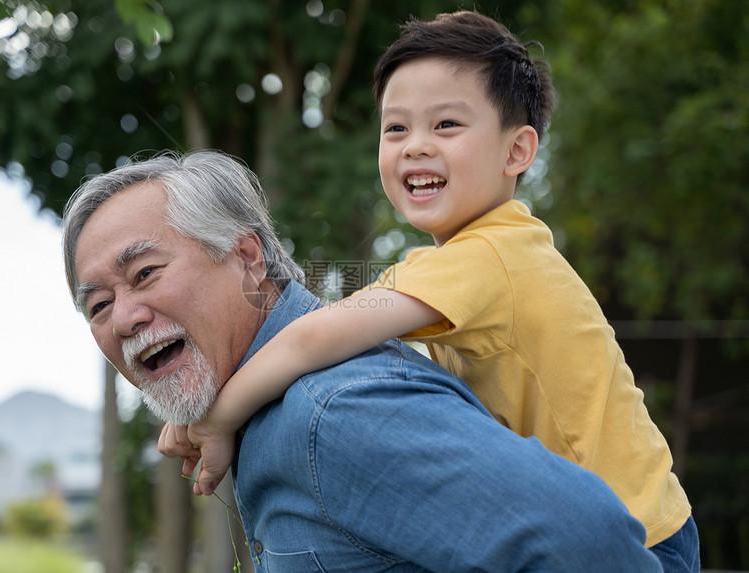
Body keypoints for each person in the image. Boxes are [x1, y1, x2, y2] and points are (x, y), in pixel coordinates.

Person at [157, 10, 699, 573]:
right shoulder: (464, 257)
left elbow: (311, 337)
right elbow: (342, 323)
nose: (415, 147)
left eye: (446, 126)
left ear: (517, 152)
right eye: (396, 128)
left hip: (633, 543)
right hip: (634, 519)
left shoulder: (489, 257)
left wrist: (217, 417)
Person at [63, 149, 663, 571]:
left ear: (248, 258)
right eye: (97, 305)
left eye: (146, 274)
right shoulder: (261, 415)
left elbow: (591, 541)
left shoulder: (332, 412)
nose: (123, 318)